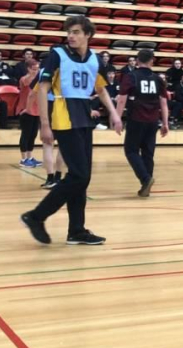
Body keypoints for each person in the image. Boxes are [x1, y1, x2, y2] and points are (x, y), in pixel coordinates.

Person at [20, 16, 121, 246]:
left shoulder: (95, 59)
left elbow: (101, 89)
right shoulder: (57, 54)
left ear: (88, 35)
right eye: (69, 32)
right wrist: (45, 124)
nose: (70, 36)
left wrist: (114, 114)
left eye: (76, 32)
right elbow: (42, 89)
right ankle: (36, 216)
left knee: (81, 177)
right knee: (80, 175)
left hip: (84, 117)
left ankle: (76, 231)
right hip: (64, 116)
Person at [115, 48, 170, 197]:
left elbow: (121, 100)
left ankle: (146, 179)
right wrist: (165, 123)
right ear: (152, 61)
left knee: (131, 150)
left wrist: (117, 118)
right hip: (153, 121)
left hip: (136, 119)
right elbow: (164, 103)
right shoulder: (158, 79)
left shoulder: (131, 76)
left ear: (137, 61)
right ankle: (146, 185)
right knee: (148, 153)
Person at [16, 55, 43, 167]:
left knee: (33, 134)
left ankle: (30, 157)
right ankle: (23, 159)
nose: (36, 71)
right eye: (34, 69)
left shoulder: (39, 79)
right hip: (25, 108)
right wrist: (33, 75)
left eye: (37, 68)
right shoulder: (24, 79)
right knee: (26, 134)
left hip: (36, 109)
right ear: (28, 69)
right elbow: (28, 83)